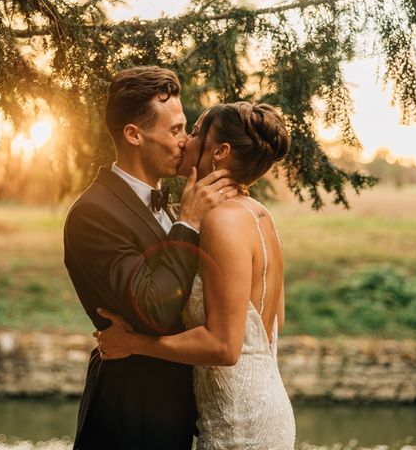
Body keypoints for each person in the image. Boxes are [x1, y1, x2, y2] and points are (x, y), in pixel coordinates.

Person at [95, 102, 296, 449]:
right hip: (267, 405)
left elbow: (224, 346)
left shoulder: (223, 220)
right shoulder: (259, 214)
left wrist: (134, 344)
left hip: (237, 422)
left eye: (198, 131)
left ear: (220, 152)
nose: (187, 139)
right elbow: (276, 321)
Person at [63, 66, 239, 450]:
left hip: (173, 416)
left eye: (185, 128)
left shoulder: (166, 205)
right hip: (128, 417)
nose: (184, 142)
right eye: (174, 130)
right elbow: (154, 311)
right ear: (134, 134)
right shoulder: (93, 214)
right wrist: (190, 221)